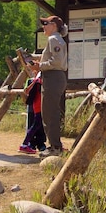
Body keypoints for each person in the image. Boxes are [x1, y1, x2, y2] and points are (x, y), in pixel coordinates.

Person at [37, 15, 68, 158]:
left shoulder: (53, 39)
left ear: (54, 25)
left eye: (46, 23)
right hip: (55, 77)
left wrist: (39, 66)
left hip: (53, 77)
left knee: (50, 113)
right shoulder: (56, 39)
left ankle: (55, 147)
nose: (43, 26)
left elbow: (56, 61)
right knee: (50, 112)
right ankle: (54, 145)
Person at [19, 59, 46, 154]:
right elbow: (27, 91)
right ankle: (25, 144)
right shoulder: (36, 80)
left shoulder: (37, 79)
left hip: (38, 105)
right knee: (35, 125)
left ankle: (28, 144)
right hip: (38, 105)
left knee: (37, 125)